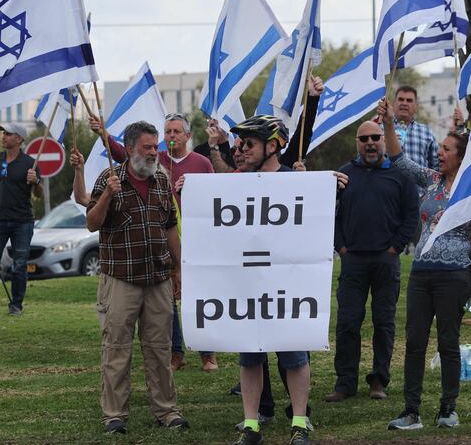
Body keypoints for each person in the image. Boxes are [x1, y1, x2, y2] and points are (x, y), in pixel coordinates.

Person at [377, 98, 471, 431]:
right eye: (440, 148)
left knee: (447, 341)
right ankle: (411, 411)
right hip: (421, 273)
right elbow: (398, 159)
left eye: (446, 149)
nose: (439, 153)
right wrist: (386, 124)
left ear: (460, 156)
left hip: (454, 276)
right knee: (414, 341)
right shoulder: (430, 181)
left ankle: (448, 409)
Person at [95, 113, 219, 372]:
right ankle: (176, 352)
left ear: (187, 135)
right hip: (163, 244)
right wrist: (103, 134)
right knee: (169, 299)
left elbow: (217, 194)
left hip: (198, 237)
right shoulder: (157, 163)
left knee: (199, 295)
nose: (171, 136)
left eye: (176, 131)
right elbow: (123, 155)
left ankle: (208, 353)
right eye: (168, 132)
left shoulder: (202, 162)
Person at [86, 121, 188, 435]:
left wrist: (178, 266)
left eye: (155, 145)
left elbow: (169, 224)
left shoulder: (161, 178)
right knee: (117, 349)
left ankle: (167, 411)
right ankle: (114, 415)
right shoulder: (109, 178)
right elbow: (92, 223)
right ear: (129, 149)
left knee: (159, 348)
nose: (155, 152)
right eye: (147, 146)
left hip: (158, 278)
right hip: (120, 279)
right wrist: (107, 197)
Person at [228, 115, 312, 445]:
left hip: (287, 286)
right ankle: (251, 424)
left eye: (248, 143)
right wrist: (189, 192)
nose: (241, 149)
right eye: (239, 144)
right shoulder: (234, 183)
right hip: (248, 286)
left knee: (294, 356)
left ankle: (301, 423)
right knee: (249, 357)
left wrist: (317, 185)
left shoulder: (295, 180)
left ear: (273, 146)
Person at [322, 120, 418, 403]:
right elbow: (329, 213)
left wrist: (394, 247)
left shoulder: (400, 176)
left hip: (385, 261)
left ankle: (379, 380)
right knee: (348, 322)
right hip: (352, 261)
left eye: (376, 137)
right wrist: (340, 246)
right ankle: (345, 383)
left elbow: (411, 215)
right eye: (364, 139)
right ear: (357, 143)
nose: (370, 143)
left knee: (383, 322)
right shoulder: (343, 175)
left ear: (383, 141)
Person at [0, 123, 41, 316]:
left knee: (19, 265)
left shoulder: (30, 163)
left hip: (22, 221)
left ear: (19, 139)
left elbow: (38, 194)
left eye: (8, 134)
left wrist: (35, 182)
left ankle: (16, 305)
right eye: (3, 133)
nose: (3, 136)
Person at [390, 86, 439, 170]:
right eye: (401, 99)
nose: (404, 103)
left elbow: (436, 167)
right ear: (393, 104)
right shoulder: (381, 129)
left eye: (409, 100)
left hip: (417, 183)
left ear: (416, 106)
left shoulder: (427, 133)